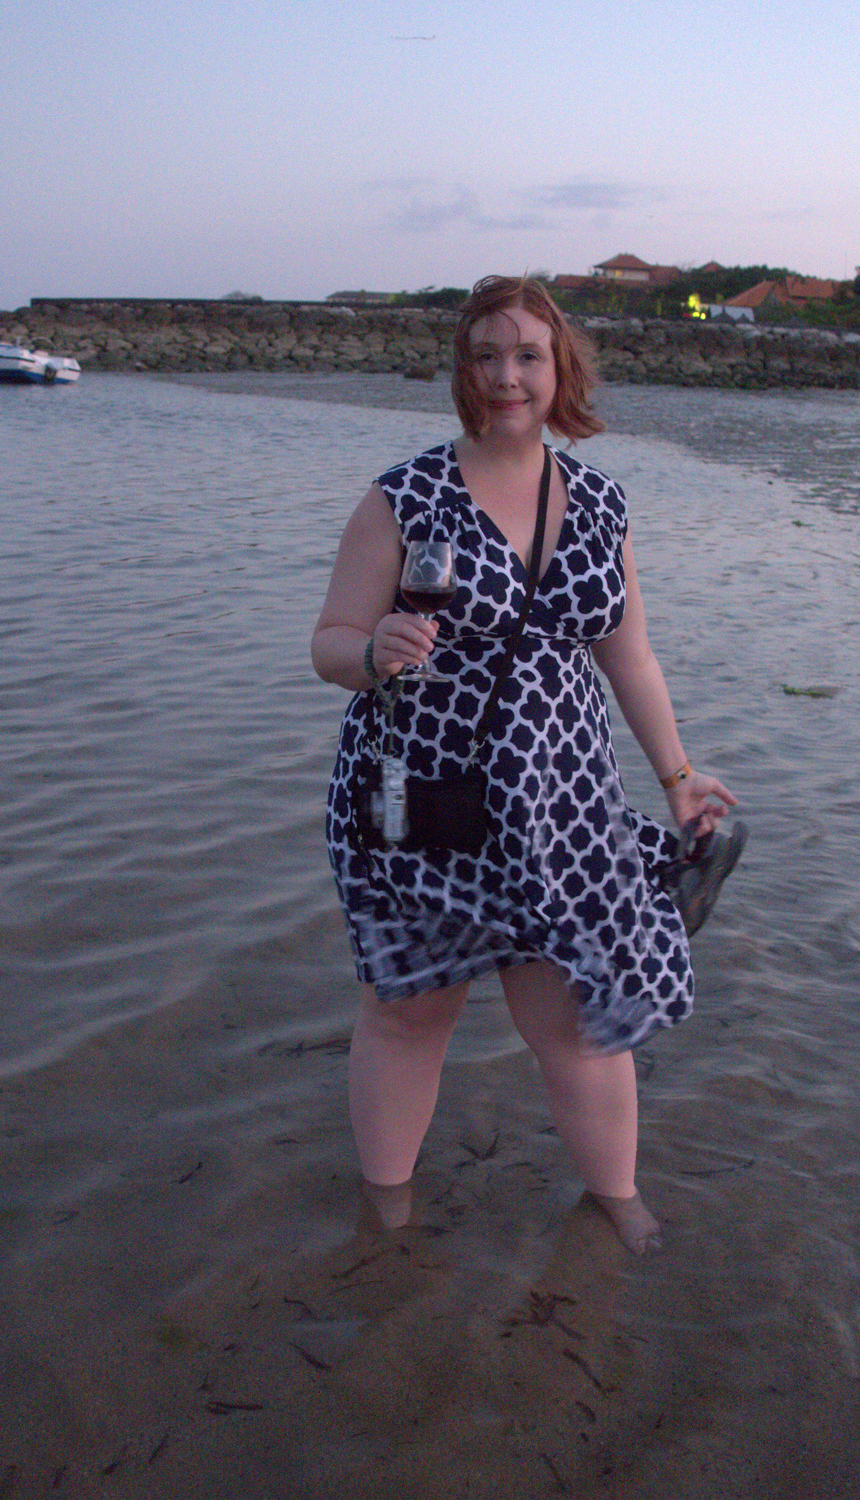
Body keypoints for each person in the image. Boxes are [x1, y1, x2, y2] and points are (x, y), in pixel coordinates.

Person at [311, 276, 744, 1253]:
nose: (507, 375)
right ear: (463, 371)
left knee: (582, 1020)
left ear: (560, 370)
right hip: (422, 798)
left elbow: (628, 654)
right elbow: (329, 642)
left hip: (564, 805)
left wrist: (677, 779)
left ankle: (617, 1200)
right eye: (486, 356)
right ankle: (387, 1213)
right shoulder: (403, 497)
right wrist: (373, 647)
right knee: (411, 1016)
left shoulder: (599, 504)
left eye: (528, 356)